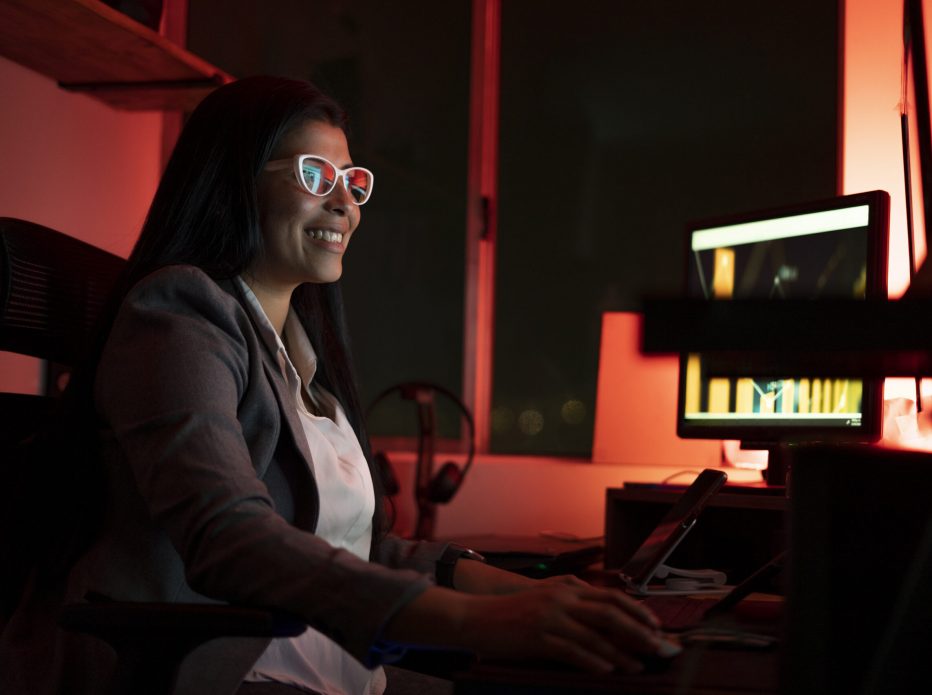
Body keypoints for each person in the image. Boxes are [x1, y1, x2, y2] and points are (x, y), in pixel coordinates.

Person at [0, 76, 678, 695]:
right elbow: (228, 535)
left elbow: (363, 546)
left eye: (353, 180)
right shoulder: (175, 316)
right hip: (220, 670)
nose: (345, 201)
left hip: (333, 666)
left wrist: (547, 593)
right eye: (315, 173)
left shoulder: (299, 362)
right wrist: (479, 622)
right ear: (234, 179)